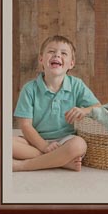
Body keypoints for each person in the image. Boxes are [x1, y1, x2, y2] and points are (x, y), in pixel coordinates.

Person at [12, 35, 99, 172]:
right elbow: (25, 125)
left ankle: (23, 165)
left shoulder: (77, 85)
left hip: (65, 140)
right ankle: (61, 161)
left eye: (63, 53)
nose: (57, 55)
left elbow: (98, 107)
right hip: (35, 140)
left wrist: (84, 111)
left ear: (71, 63)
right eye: (51, 51)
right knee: (3, 143)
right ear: (41, 59)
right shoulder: (29, 89)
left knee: (79, 145)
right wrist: (43, 146)